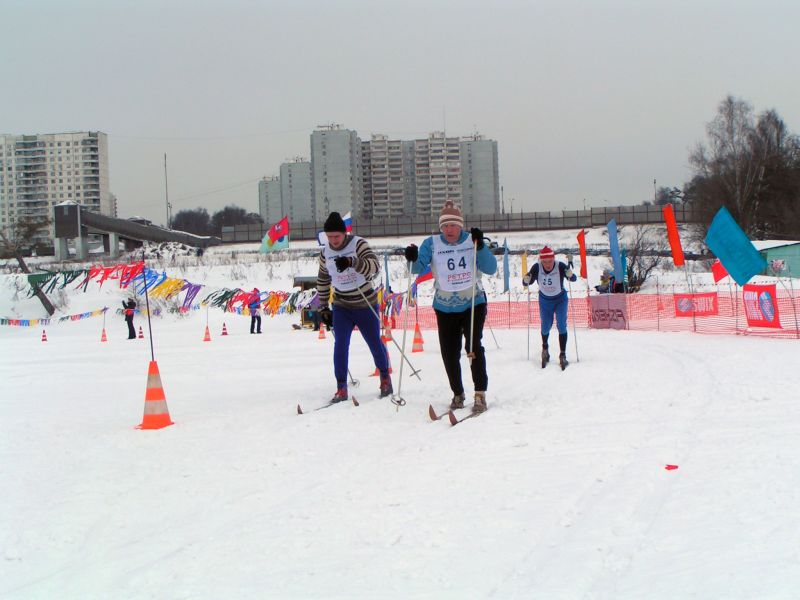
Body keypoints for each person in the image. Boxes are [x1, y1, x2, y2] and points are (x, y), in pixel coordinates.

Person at [404, 201, 497, 413]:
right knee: (449, 353)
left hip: (473, 302)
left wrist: (481, 246)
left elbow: (490, 268)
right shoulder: (432, 243)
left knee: (473, 348)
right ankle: (458, 393)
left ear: (461, 225)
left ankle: (480, 393)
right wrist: (411, 258)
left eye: (453, 225)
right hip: (445, 307)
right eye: (445, 226)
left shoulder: (472, 240)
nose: (449, 230)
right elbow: (417, 267)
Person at [316, 212, 392, 402]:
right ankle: (341, 387)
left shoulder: (358, 244)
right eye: (330, 236)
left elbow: (374, 268)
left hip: (364, 302)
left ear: (344, 233)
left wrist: (352, 262)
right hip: (342, 304)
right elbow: (323, 278)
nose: (333, 241)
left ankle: (385, 377)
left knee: (374, 341)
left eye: (337, 236)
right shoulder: (325, 252)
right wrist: (323, 306)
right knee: (340, 345)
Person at [522, 246, 577, 369]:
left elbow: (573, 279)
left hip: (560, 299)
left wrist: (570, 274)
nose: (547, 264)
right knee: (545, 326)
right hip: (545, 301)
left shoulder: (560, 266)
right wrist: (525, 280)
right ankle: (545, 349)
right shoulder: (537, 267)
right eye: (545, 262)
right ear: (541, 260)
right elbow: (527, 282)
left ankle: (562, 354)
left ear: (554, 259)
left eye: (550, 261)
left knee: (561, 325)